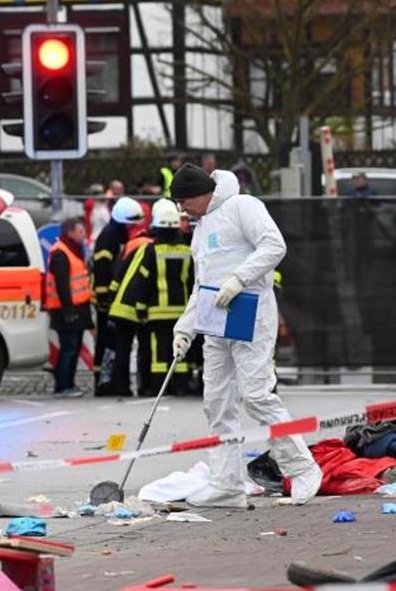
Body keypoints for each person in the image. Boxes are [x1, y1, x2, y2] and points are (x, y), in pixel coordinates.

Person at [170, 164, 322, 508]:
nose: (182, 210)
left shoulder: (242, 206)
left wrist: (239, 279)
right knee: (217, 401)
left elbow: (274, 245)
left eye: (184, 201)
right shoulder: (201, 228)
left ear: (201, 192)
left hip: (250, 313)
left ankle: (302, 468)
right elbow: (200, 285)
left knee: (256, 394)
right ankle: (227, 482)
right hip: (214, 320)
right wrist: (185, 327)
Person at [106, 199, 193, 396]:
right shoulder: (188, 251)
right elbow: (191, 281)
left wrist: (140, 308)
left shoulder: (151, 250)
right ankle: (181, 385)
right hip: (181, 311)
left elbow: (142, 280)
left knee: (158, 352)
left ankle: (157, 387)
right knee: (180, 349)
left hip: (157, 312)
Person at [90, 196, 143, 395]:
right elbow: (102, 270)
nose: (133, 228)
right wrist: (104, 299)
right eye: (131, 224)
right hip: (106, 301)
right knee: (105, 341)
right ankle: (102, 382)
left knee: (111, 341)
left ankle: (109, 380)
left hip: (112, 298)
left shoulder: (117, 235)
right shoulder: (108, 238)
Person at [44, 217, 94, 398]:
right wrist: (68, 310)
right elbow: (62, 284)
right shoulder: (61, 252)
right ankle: (62, 386)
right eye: (80, 232)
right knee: (69, 347)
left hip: (76, 308)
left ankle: (68, 384)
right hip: (66, 310)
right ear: (70, 232)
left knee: (73, 347)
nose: (84, 236)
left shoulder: (72, 250)